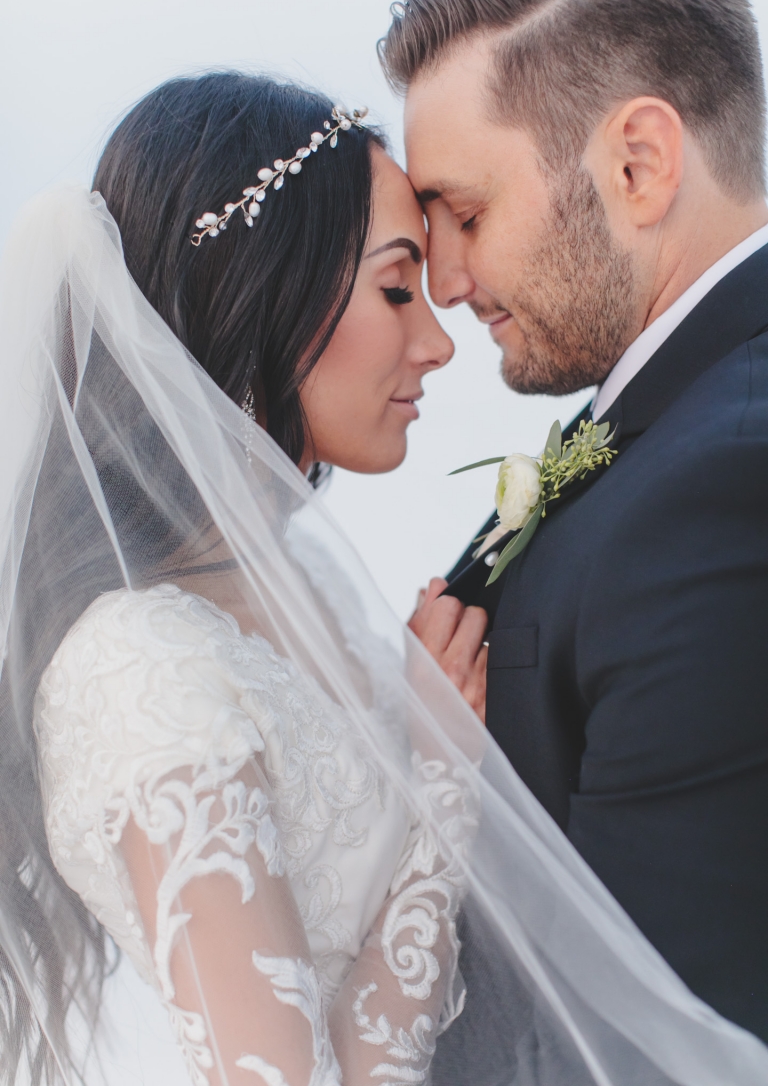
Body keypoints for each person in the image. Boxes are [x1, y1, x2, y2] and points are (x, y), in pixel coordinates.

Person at [1, 70, 767, 1086]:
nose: (439, 338)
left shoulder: (287, 583)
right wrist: (442, 783)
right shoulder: (136, 663)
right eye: (397, 287)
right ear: (263, 293)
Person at [383, 0, 768, 1045]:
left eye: (465, 213)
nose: (446, 284)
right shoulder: (662, 434)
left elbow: (655, 1040)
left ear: (638, 164)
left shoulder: (728, 485)